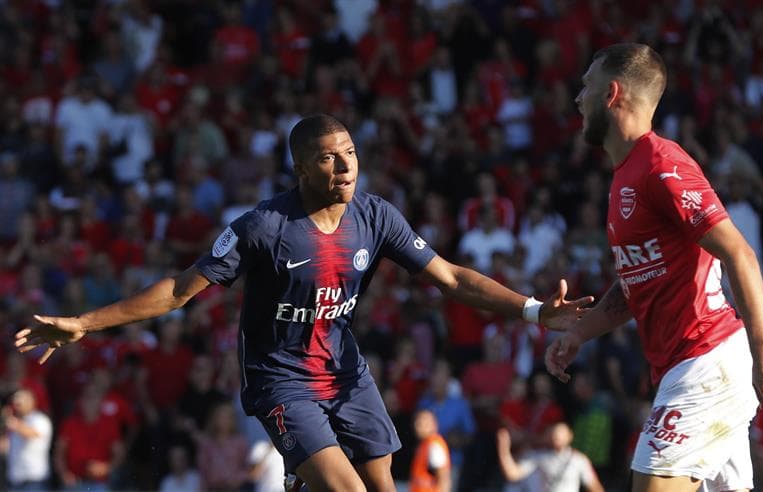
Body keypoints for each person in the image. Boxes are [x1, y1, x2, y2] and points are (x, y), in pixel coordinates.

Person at [15, 114, 592, 491]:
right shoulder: (262, 227)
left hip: (346, 372)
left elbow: (453, 278)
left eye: (350, 152)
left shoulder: (376, 216)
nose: (344, 166)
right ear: (300, 168)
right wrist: (85, 322)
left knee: (382, 486)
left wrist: (533, 310)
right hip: (281, 380)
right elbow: (178, 290)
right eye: (327, 158)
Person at [544, 43, 763, 492]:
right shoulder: (625, 175)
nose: (578, 98)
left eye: (587, 86)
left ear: (612, 93)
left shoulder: (661, 165)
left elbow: (739, 252)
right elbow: (635, 284)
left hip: (705, 359)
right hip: (691, 365)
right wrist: (580, 332)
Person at [496, 422, 604, 492]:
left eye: (560, 433)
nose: (556, 436)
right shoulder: (536, 456)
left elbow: (594, 485)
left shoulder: (579, 459)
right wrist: (503, 449)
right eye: (553, 433)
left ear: (570, 436)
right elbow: (512, 474)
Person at [4, 389, 53, 491]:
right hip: (15, 481)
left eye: (20, 402)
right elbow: (6, 446)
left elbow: (32, 434)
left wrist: (13, 423)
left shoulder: (40, 419)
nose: (17, 405)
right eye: (15, 402)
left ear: (31, 402)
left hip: (34, 481)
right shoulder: (16, 422)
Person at [409, 410, 451, 492]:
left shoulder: (434, 445)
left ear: (434, 425)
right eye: (417, 422)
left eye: (423, 422)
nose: (417, 425)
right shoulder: (424, 444)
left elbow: (443, 477)